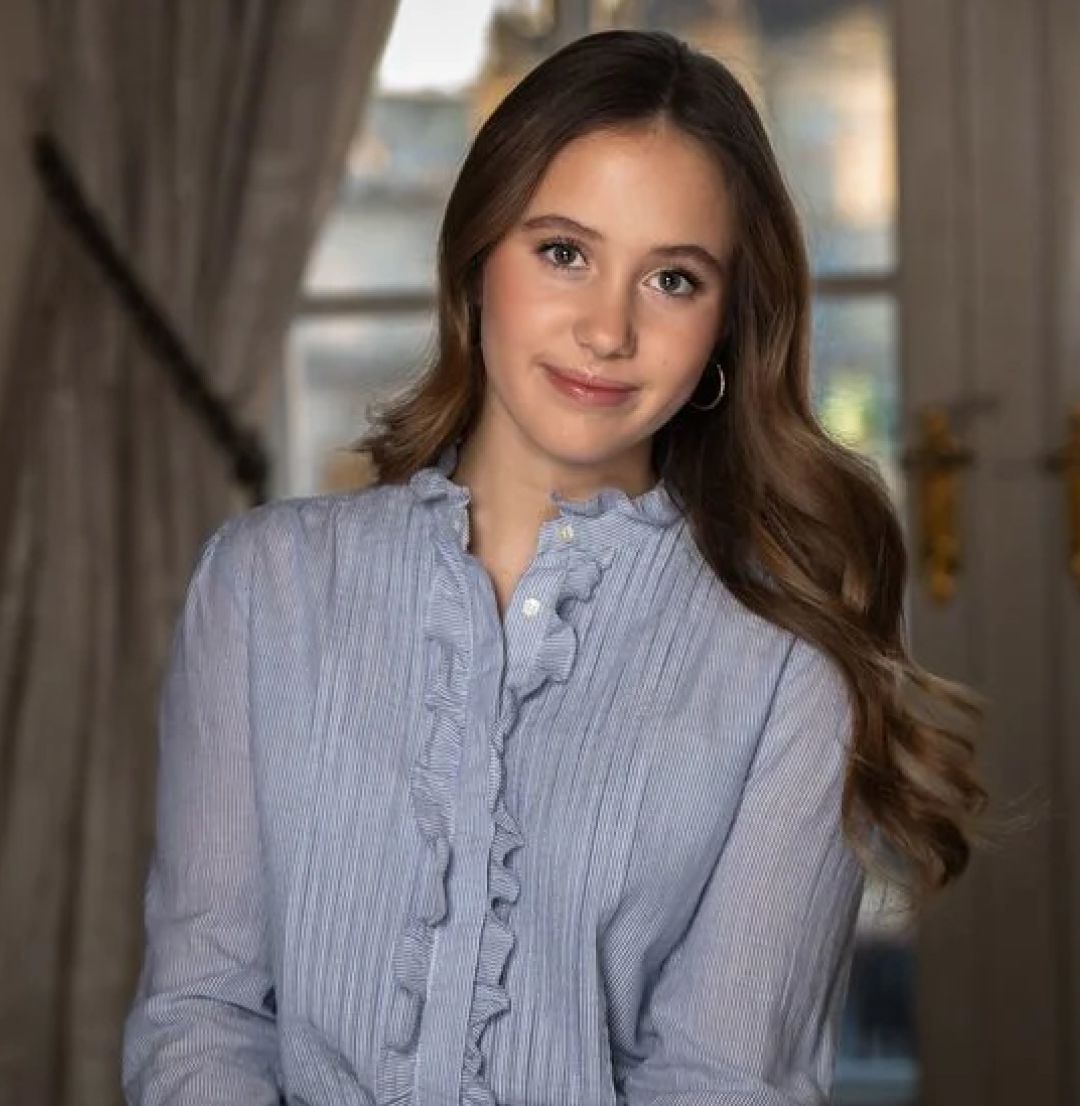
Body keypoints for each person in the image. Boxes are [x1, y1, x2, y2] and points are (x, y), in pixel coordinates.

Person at [121, 28, 988, 1106]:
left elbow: (726, 1078)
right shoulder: (261, 590)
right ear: (479, 253)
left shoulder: (785, 667)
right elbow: (201, 1014)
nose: (607, 329)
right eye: (564, 251)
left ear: (727, 325)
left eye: (673, 277)